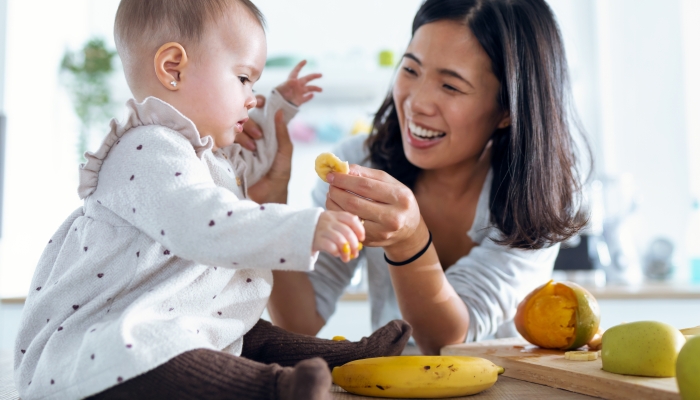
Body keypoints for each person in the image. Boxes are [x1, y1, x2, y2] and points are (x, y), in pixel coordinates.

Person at [13, 1, 411, 399]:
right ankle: (275, 388)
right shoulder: (147, 148)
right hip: (106, 347)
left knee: (240, 324)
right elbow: (208, 223)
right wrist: (304, 227)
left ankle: (346, 359)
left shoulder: (196, 153)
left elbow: (250, 166)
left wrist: (278, 109)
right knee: (169, 347)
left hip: (172, 316)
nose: (250, 97)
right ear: (173, 68)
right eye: (242, 78)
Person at [243, 0, 589, 355]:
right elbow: (299, 321)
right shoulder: (360, 162)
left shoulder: (538, 196)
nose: (416, 102)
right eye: (411, 70)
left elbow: (447, 341)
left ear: (506, 110)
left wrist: (409, 243)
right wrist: (269, 202)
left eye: (451, 87)